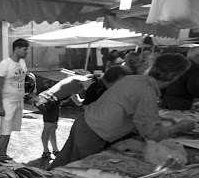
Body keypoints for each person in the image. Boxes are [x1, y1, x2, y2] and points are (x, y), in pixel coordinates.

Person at [50, 54, 196, 169]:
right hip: (93, 132)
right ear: (174, 77)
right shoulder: (146, 92)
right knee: (73, 171)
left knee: (63, 163)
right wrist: (181, 126)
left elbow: (132, 111)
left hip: (86, 123)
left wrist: (161, 121)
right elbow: (153, 134)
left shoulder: (135, 79)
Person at [33, 75, 90, 159]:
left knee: (53, 127)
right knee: (48, 128)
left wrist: (91, 100)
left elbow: (78, 102)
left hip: (53, 102)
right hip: (49, 100)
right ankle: (45, 151)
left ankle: (55, 150)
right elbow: (89, 84)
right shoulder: (80, 79)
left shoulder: (74, 88)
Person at [0, 39, 29, 157]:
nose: (27, 52)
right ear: (17, 49)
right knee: (4, 130)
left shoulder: (23, 63)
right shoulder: (4, 65)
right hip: (7, 102)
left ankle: (3, 154)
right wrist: (0, 106)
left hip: (19, 101)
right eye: (25, 49)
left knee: (10, 130)